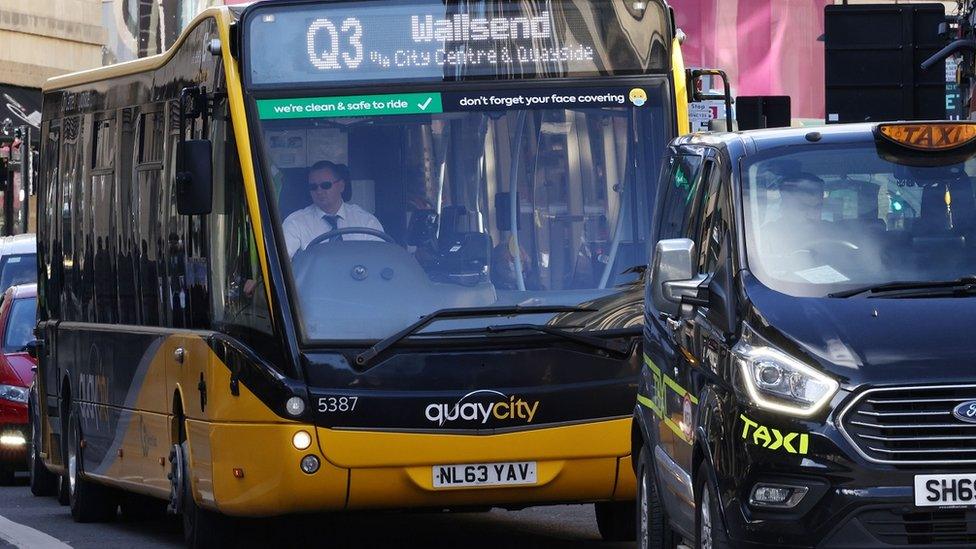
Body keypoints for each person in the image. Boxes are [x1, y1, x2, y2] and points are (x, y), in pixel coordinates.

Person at [282, 160, 385, 257]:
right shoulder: (295, 223)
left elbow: (381, 258)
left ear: (341, 186)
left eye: (325, 185)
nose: (319, 191)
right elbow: (281, 262)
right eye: (313, 187)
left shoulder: (366, 222)